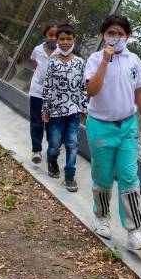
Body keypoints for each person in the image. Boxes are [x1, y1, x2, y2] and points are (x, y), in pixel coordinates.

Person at [84, 14, 141, 250]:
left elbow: (140, 91)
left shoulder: (134, 60)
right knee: (102, 176)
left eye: (120, 34)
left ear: (127, 36)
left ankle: (135, 231)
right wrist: (105, 61)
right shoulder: (94, 59)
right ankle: (101, 216)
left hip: (128, 126)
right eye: (110, 33)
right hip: (101, 126)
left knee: (129, 176)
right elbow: (91, 90)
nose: (115, 38)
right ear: (104, 35)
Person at [41, 24, 85, 192]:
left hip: (74, 111)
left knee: (72, 143)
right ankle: (51, 159)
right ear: (57, 40)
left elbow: (82, 87)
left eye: (69, 39)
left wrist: (84, 107)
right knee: (54, 142)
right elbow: (48, 86)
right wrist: (45, 108)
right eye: (62, 39)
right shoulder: (52, 62)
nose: (65, 42)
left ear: (74, 39)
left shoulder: (80, 62)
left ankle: (70, 175)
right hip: (55, 111)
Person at [27, 23, 58, 164]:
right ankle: (36, 150)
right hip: (37, 91)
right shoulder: (38, 50)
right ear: (45, 35)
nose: (54, 38)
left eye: (57, 36)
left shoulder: (61, 52)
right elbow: (34, 62)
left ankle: (51, 150)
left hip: (53, 94)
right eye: (51, 35)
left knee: (51, 122)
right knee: (36, 120)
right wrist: (38, 76)